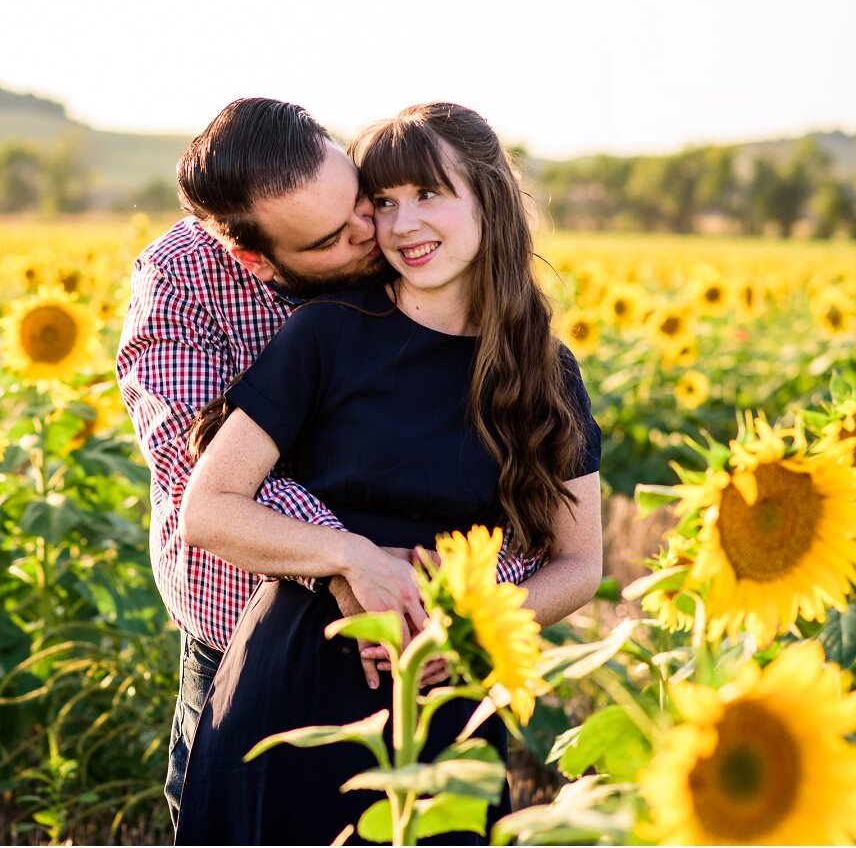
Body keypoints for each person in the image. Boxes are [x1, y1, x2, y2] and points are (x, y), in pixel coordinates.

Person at [173, 102, 603, 845]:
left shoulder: (542, 370)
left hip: (446, 695)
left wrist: (470, 630)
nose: (401, 226)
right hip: (293, 686)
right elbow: (208, 506)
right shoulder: (329, 330)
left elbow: (582, 562)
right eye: (383, 202)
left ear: (489, 197)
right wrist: (352, 556)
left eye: (430, 193)